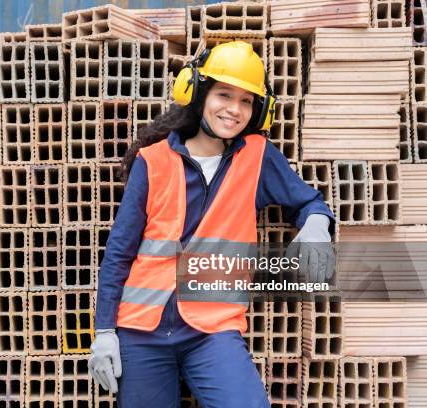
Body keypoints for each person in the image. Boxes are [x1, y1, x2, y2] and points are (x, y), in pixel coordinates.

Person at [88, 41, 335, 408]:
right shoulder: (152, 162)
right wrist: (105, 330)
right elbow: (119, 252)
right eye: (224, 94)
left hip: (213, 329)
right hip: (141, 331)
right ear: (197, 92)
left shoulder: (258, 157)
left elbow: (309, 201)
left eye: (247, 101)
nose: (235, 110)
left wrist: (316, 224)